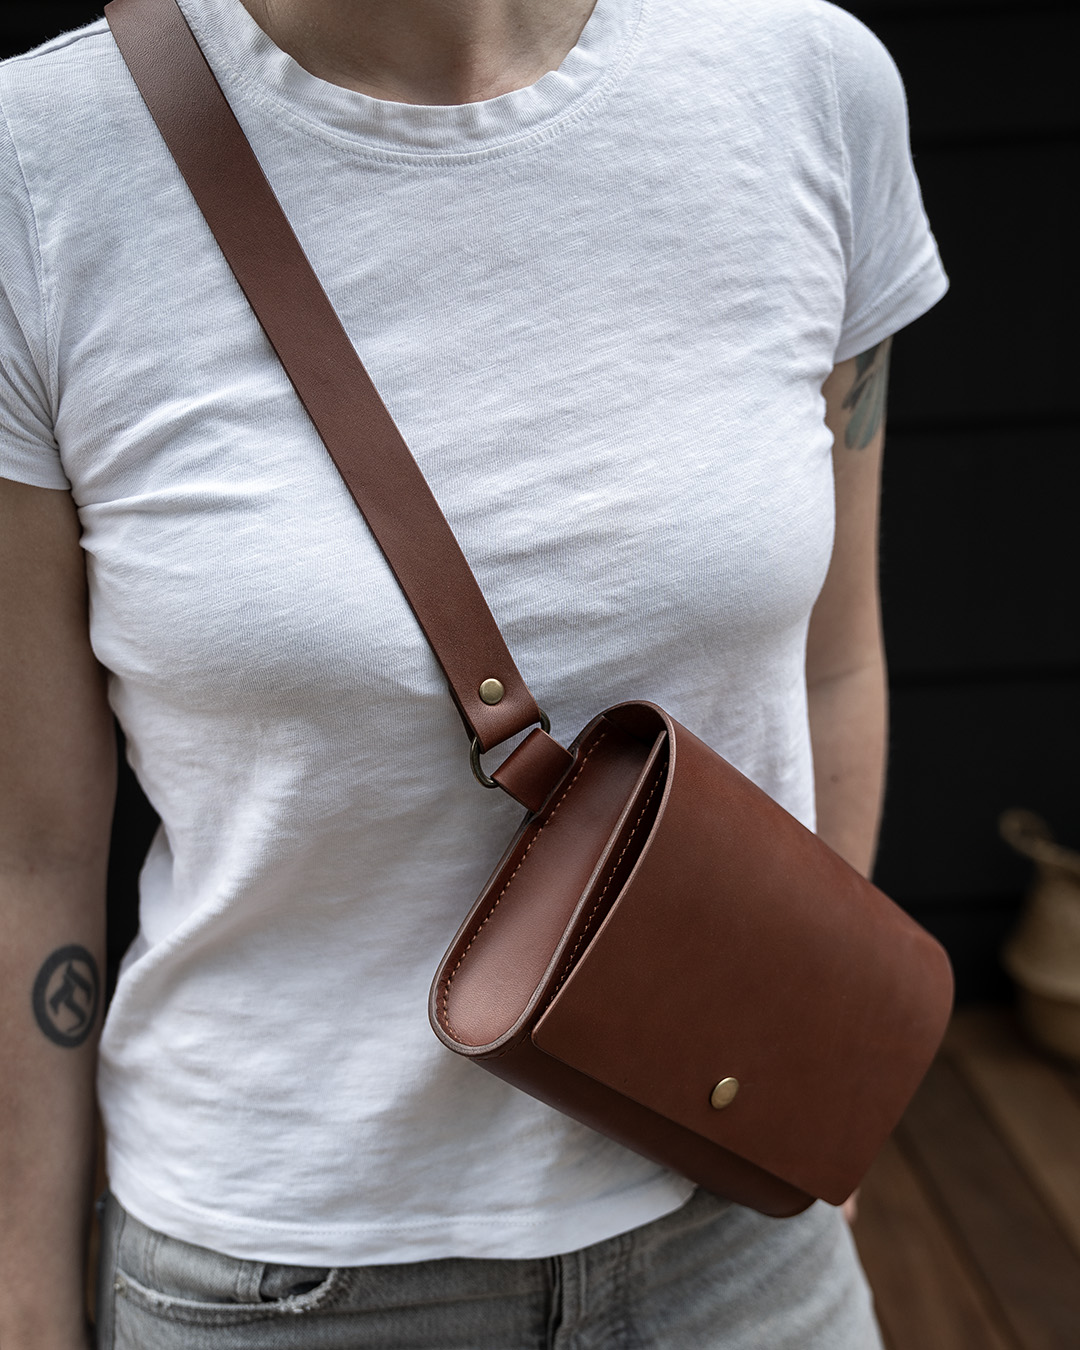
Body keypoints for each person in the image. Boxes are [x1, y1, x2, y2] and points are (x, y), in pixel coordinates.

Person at [0, 0, 947, 1344]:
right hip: (277, 1278)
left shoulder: (809, 83)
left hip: (740, 1235)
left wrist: (812, 1069)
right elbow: (28, 849)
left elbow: (835, 662)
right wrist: (26, 1308)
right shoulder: (38, 167)